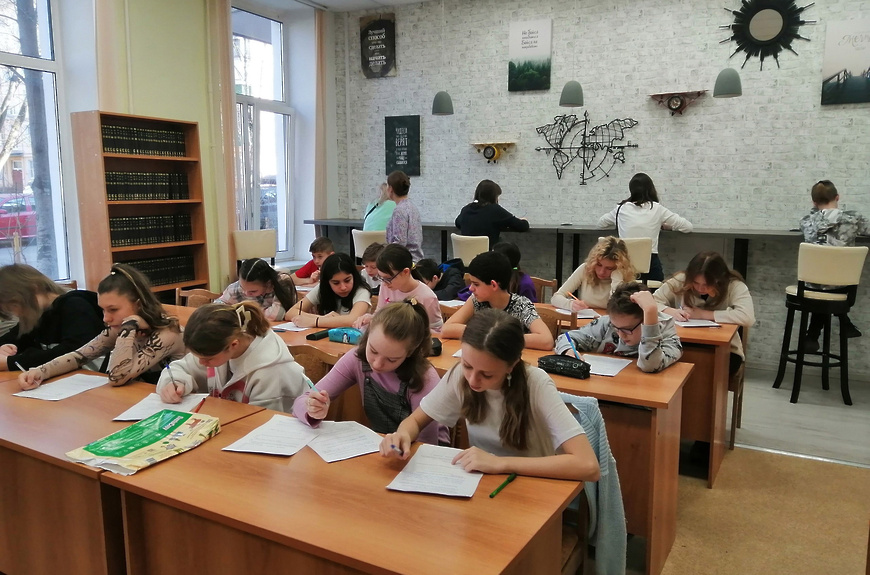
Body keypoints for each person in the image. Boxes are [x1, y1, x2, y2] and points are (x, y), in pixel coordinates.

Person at [380, 309, 600, 482]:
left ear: (511, 365)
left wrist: (501, 463)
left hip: (530, 485)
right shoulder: (460, 375)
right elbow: (415, 420)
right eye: (467, 365)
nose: (473, 380)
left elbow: (588, 466)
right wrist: (402, 435)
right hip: (482, 481)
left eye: (487, 374)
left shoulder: (536, 384)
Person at [293, 299, 449, 445]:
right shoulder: (356, 359)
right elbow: (300, 402)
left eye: (391, 359)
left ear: (410, 352)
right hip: (382, 446)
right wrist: (312, 409)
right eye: (373, 350)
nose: (377, 364)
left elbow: (426, 444)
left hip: (424, 450)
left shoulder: (424, 379)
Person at [18, 264, 186, 389]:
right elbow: (78, 356)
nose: (106, 318)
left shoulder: (168, 332)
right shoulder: (120, 328)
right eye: (103, 310)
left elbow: (117, 378)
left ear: (139, 305)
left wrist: (130, 325)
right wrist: (41, 371)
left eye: (113, 310)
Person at [157, 302, 307, 412]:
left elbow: (262, 421)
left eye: (207, 359)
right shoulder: (217, 346)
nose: (202, 363)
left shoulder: (272, 371)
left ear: (233, 345)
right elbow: (179, 368)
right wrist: (174, 382)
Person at [654, 251, 754, 374]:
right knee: (675, 363)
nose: (700, 288)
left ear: (719, 279)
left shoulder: (734, 286)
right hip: (682, 342)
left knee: (708, 367)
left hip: (725, 349)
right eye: (696, 283)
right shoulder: (681, 280)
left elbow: (747, 316)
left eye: (707, 284)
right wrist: (670, 311)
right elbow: (651, 301)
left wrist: (703, 314)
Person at [798, 179, 868, 349]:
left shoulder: (806, 222)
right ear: (837, 197)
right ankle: (844, 321)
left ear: (814, 202)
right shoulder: (853, 219)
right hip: (842, 287)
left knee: (822, 288)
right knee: (831, 288)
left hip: (811, 287)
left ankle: (813, 334)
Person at [555, 283, 682, 373]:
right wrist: (568, 350)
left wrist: (650, 313)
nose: (621, 335)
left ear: (644, 320)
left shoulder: (666, 331)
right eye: (616, 328)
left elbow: (650, 366)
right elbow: (565, 337)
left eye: (627, 329)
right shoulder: (607, 323)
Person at [441, 251, 553, 351]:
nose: (470, 289)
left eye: (476, 284)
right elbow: (446, 329)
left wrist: (497, 336)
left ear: (494, 285)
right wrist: (485, 332)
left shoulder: (521, 305)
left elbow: (546, 340)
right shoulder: (475, 300)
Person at [0, 264, 103, 371]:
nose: (17, 314)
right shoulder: (38, 315)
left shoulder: (75, 305)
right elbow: (12, 339)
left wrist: (10, 363)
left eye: (15, 305)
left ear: (34, 288)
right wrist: (4, 348)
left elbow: (72, 353)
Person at [597, 173, 693, 281]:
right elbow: (688, 227)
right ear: (651, 189)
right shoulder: (657, 209)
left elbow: (601, 223)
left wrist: (620, 222)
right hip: (651, 267)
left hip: (625, 266)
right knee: (658, 285)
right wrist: (669, 227)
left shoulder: (621, 209)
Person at [353, 244, 443, 332]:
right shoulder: (386, 286)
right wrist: (371, 318)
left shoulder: (427, 297)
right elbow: (380, 314)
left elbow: (437, 332)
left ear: (405, 272)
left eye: (388, 279)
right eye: (381, 278)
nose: (384, 284)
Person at [284, 253, 371, 328]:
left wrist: (314, 321)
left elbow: (352, 320)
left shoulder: (362, 291)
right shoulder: (322, 288)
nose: (343, 287)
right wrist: (323, 318)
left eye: (347, 280)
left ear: (354, 276)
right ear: (327, 282)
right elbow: (290, 313)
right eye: (336, 283)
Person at [551, 237, 634, 312]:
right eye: (599, 265)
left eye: (609, 268)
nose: (601, 272)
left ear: (619, 268)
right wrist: (571, 304)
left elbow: (618, 308)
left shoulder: (623, 279)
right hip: (585, 320)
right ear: (593, 261)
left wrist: (617, 279)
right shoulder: (585, 269)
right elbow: (556, 298)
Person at [217, 258, 298, 321]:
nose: (246, 293)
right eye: (242, 287)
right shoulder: (236, 287)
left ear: (268, 284)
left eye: (253, 291)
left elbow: (276, 316)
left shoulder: (282, 282)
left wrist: (243, 313)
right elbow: (217, 308)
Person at [454, 179, 529, 247]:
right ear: (493, 197)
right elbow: (522, 226)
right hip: (488, 256)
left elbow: (457, 223)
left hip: (465, 255)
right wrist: (524, 220)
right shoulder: (495, 210)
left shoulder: (466, 209)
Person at [384, 171, 424, 262]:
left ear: (390, 189)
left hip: (404, 262)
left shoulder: (399, 210)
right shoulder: (412, 207)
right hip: (416, 259)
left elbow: (400, 242)